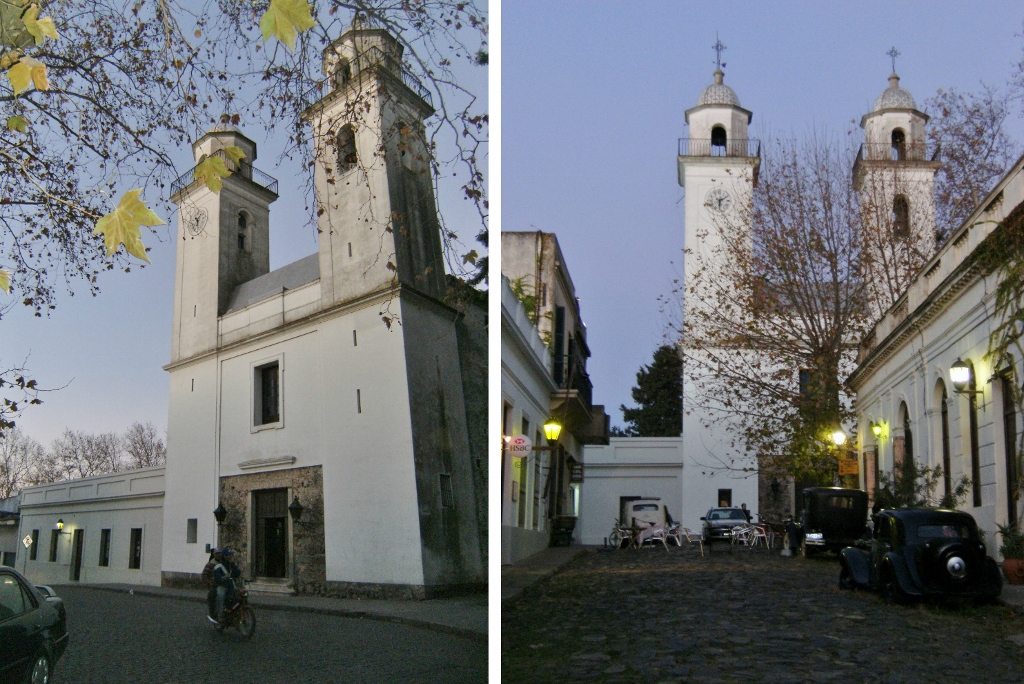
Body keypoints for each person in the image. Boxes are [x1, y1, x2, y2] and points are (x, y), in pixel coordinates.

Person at [213, 548, 242, 626]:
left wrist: (234, 567)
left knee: (239, 596)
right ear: (225, 556)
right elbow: (217, 577)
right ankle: (220, 617)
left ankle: (235, 611)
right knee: (221, 596)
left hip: (231, 586)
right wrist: (222, 578)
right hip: (222, 586)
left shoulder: (231, 565)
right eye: (230, 555)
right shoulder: (218, 566)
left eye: (231, 555)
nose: (231, 557)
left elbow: (237, 573)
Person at [202, 549, 219, 622]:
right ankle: (213, 615)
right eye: (217, 554)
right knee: (211, 597)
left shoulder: (224, 563)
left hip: (223, 584)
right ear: (214, 555)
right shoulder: (210, 564)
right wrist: (209, 584)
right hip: (214, 585)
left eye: (220, 553)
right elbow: (204, 575)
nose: (219, 555)